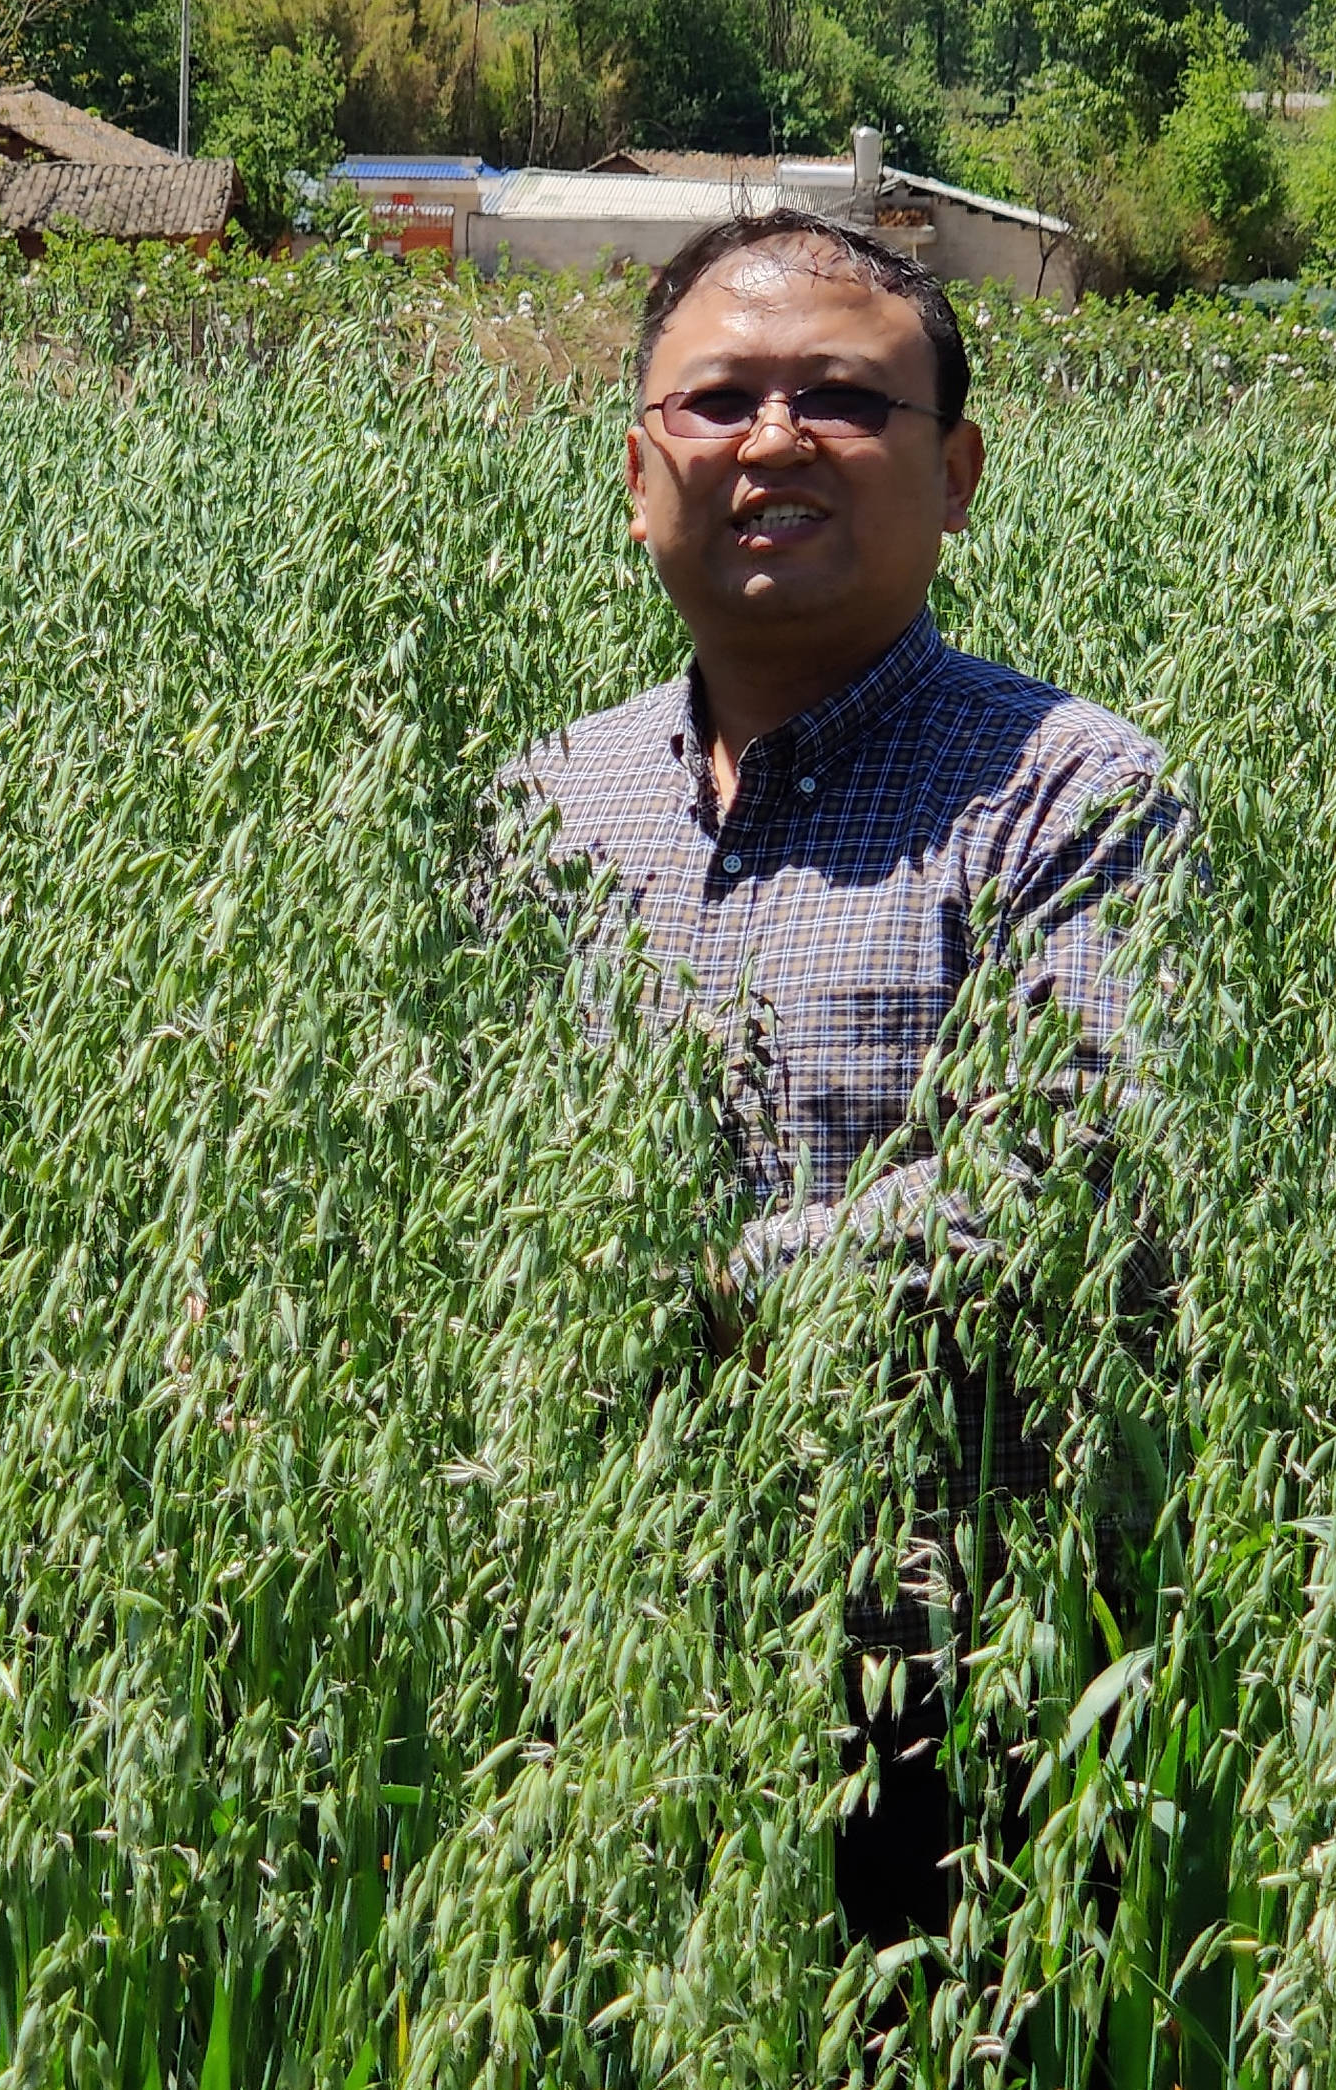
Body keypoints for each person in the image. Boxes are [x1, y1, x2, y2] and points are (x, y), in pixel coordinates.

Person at [505, 207, 1182, 1949]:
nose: (775, 439)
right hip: (596, 1662)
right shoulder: (545, 808)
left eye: (844, 401)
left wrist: (713, 1291)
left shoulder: (1070, 790)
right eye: (717, 399)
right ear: (637, 464)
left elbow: (1071, 1182)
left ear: (956, 474)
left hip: (947, 1703)